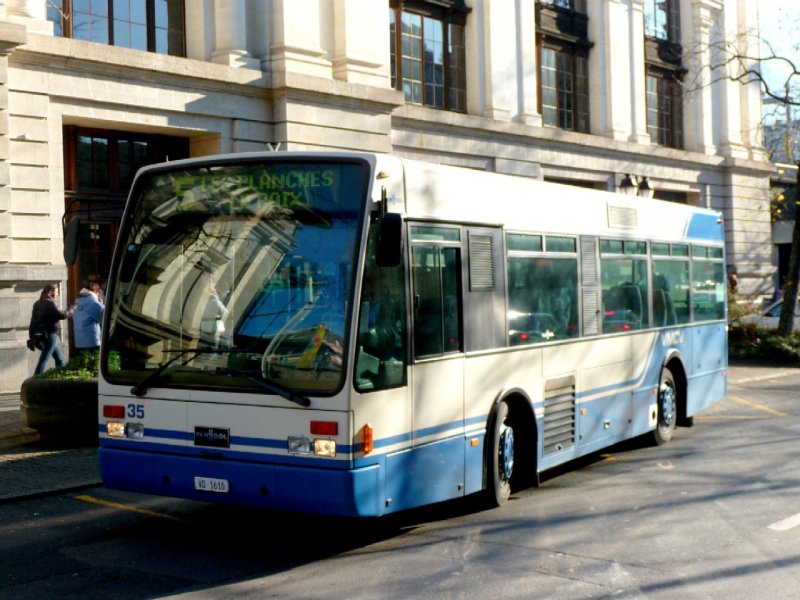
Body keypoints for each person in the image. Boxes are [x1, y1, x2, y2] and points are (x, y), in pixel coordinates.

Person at [29, 284, 74, 374]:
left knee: (59, 358)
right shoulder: (50, 302)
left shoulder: (37, 303)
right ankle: (37, 378)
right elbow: (62, 315)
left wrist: (31, 336)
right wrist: (72, 308)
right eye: (57, 291)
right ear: (52, 291)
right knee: (44, 359)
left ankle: (60, 377)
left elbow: (33, 321)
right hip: (50, 334)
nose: (57, 293)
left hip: (42, 334)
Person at [72, 283, 105, 355]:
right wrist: (102, 304)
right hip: (92, 341)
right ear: (95, 291)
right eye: (98, 291)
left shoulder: (78, 302)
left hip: (79, 342)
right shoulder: (92, 302)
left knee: (83, 364)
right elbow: (104, 318)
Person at [201, 282, 228, 348]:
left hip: (205, 331)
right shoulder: (215, 302)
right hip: (211, 333)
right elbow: (226, 312)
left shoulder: (205, 302)